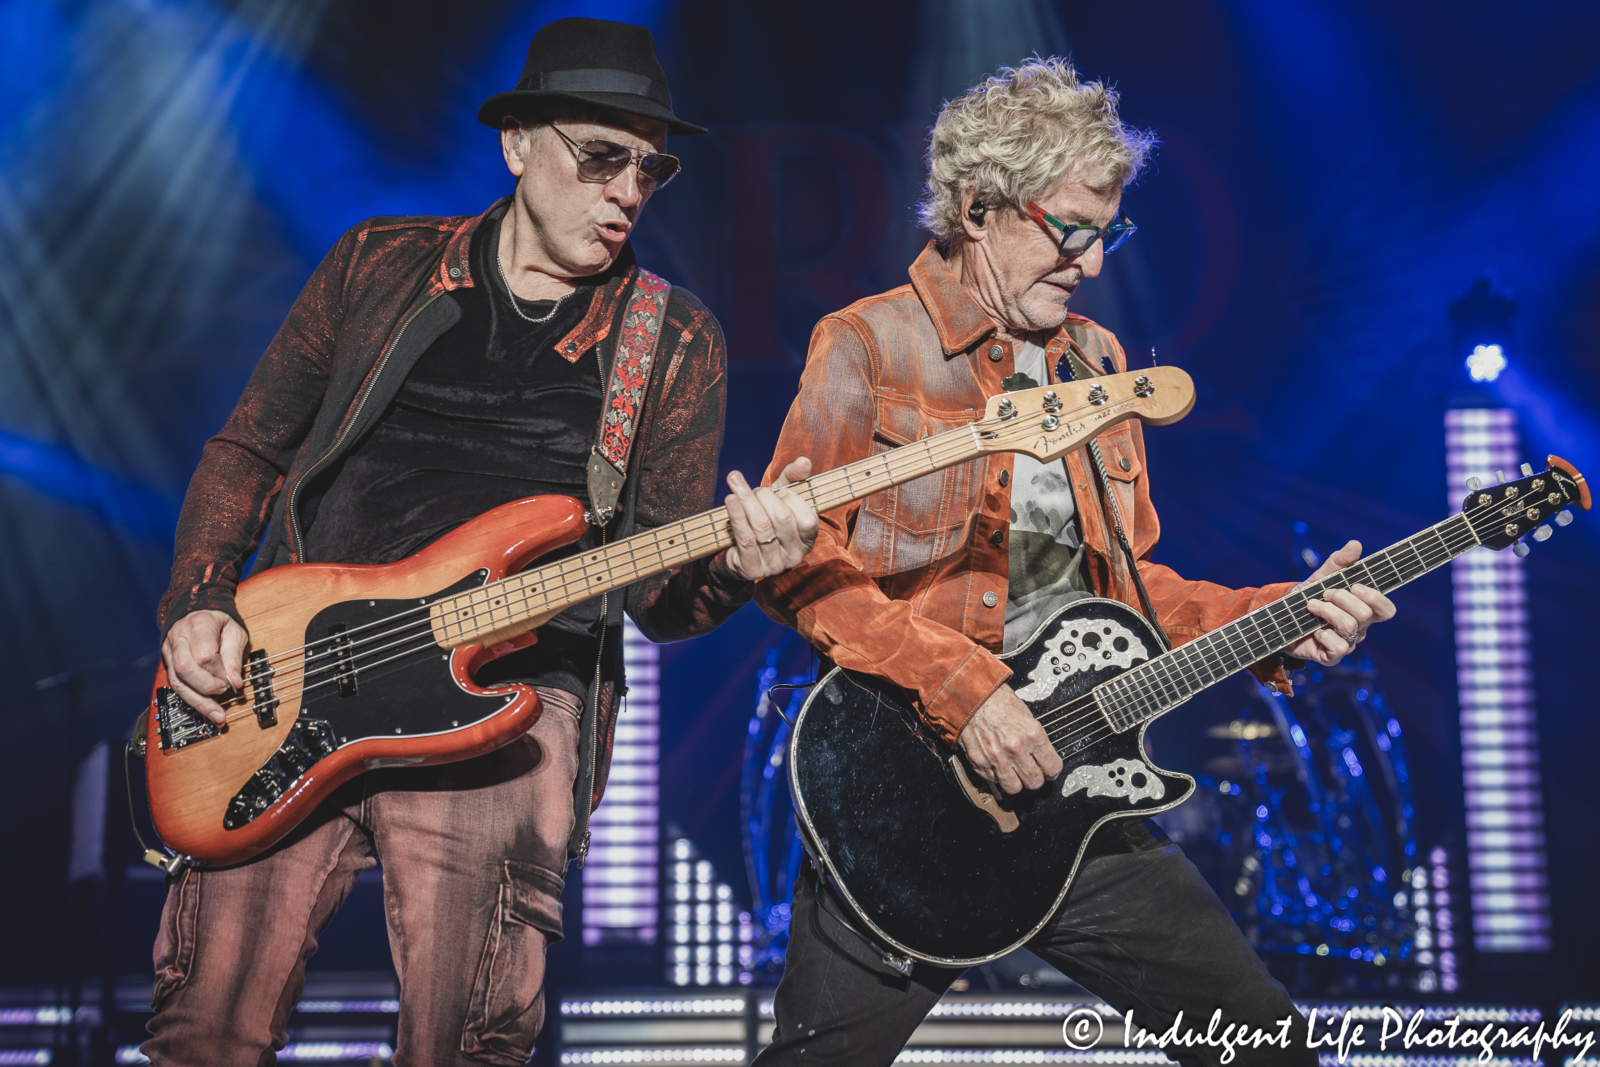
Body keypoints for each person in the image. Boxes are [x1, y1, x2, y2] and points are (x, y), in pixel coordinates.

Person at [144, 18, 817, 1066]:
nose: (627, 192)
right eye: (601, 156)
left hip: (509, 693)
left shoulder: (672, 337)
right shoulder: (377, 262)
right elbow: (246, 447)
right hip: (297, 661)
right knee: (205, 1026)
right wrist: (199, 599)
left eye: (651, 167)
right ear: (517, 145)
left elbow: (660, 600)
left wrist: (741, 565)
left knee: (463, 1040)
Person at [753, 57, 1394, 1066]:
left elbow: (1134, 597)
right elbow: (797, 562)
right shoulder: (866, 343)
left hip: (1080, 797)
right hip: (904, 798)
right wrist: (966, 692)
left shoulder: (1097, 360)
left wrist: (1282, 613)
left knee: (1266, 1051)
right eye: (1072, 231)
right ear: (976, 208)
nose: (1093, 263)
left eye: (1110, 233)